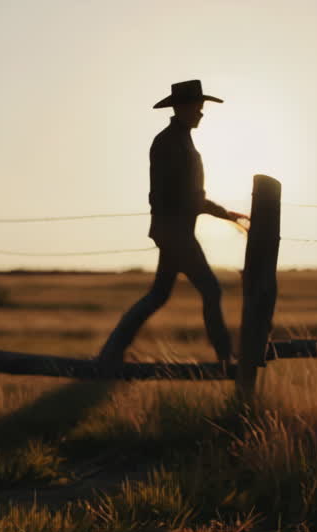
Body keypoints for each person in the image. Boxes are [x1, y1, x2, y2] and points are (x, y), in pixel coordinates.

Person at [97, 79, 249, 370]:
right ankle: (225, 359)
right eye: (198, 108)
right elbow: (179, 195)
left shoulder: (179, 140)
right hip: (176, 233)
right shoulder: (170, 142)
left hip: (174, 231)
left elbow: (189, 196)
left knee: (158, 295)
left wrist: (224, 214)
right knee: (211, 290)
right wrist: (223, 214)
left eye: (202, 108)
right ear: (182, 108)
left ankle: (110, 353)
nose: (201, 114)